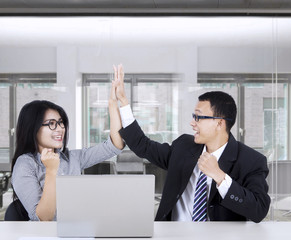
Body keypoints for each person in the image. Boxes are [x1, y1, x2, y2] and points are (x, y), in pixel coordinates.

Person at [112, 65, 270, 223]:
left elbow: (259, 210)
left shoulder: (252, 161)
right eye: (193, 116)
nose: (192, 123)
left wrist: (220, 177)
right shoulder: (183, 146)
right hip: (174, 233)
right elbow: (143, 145)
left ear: (220, 123)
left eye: (199, 117)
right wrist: (123, 101)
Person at [11, 78, 124, 221]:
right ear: (33, 128)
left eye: (60, 123)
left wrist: (113, 104)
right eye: (51, 124)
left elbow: (115, 146)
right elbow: (43, 218)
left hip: (78, 229)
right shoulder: (25, 164)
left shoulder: (73, 158)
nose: (60, 129)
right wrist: (51, 171)